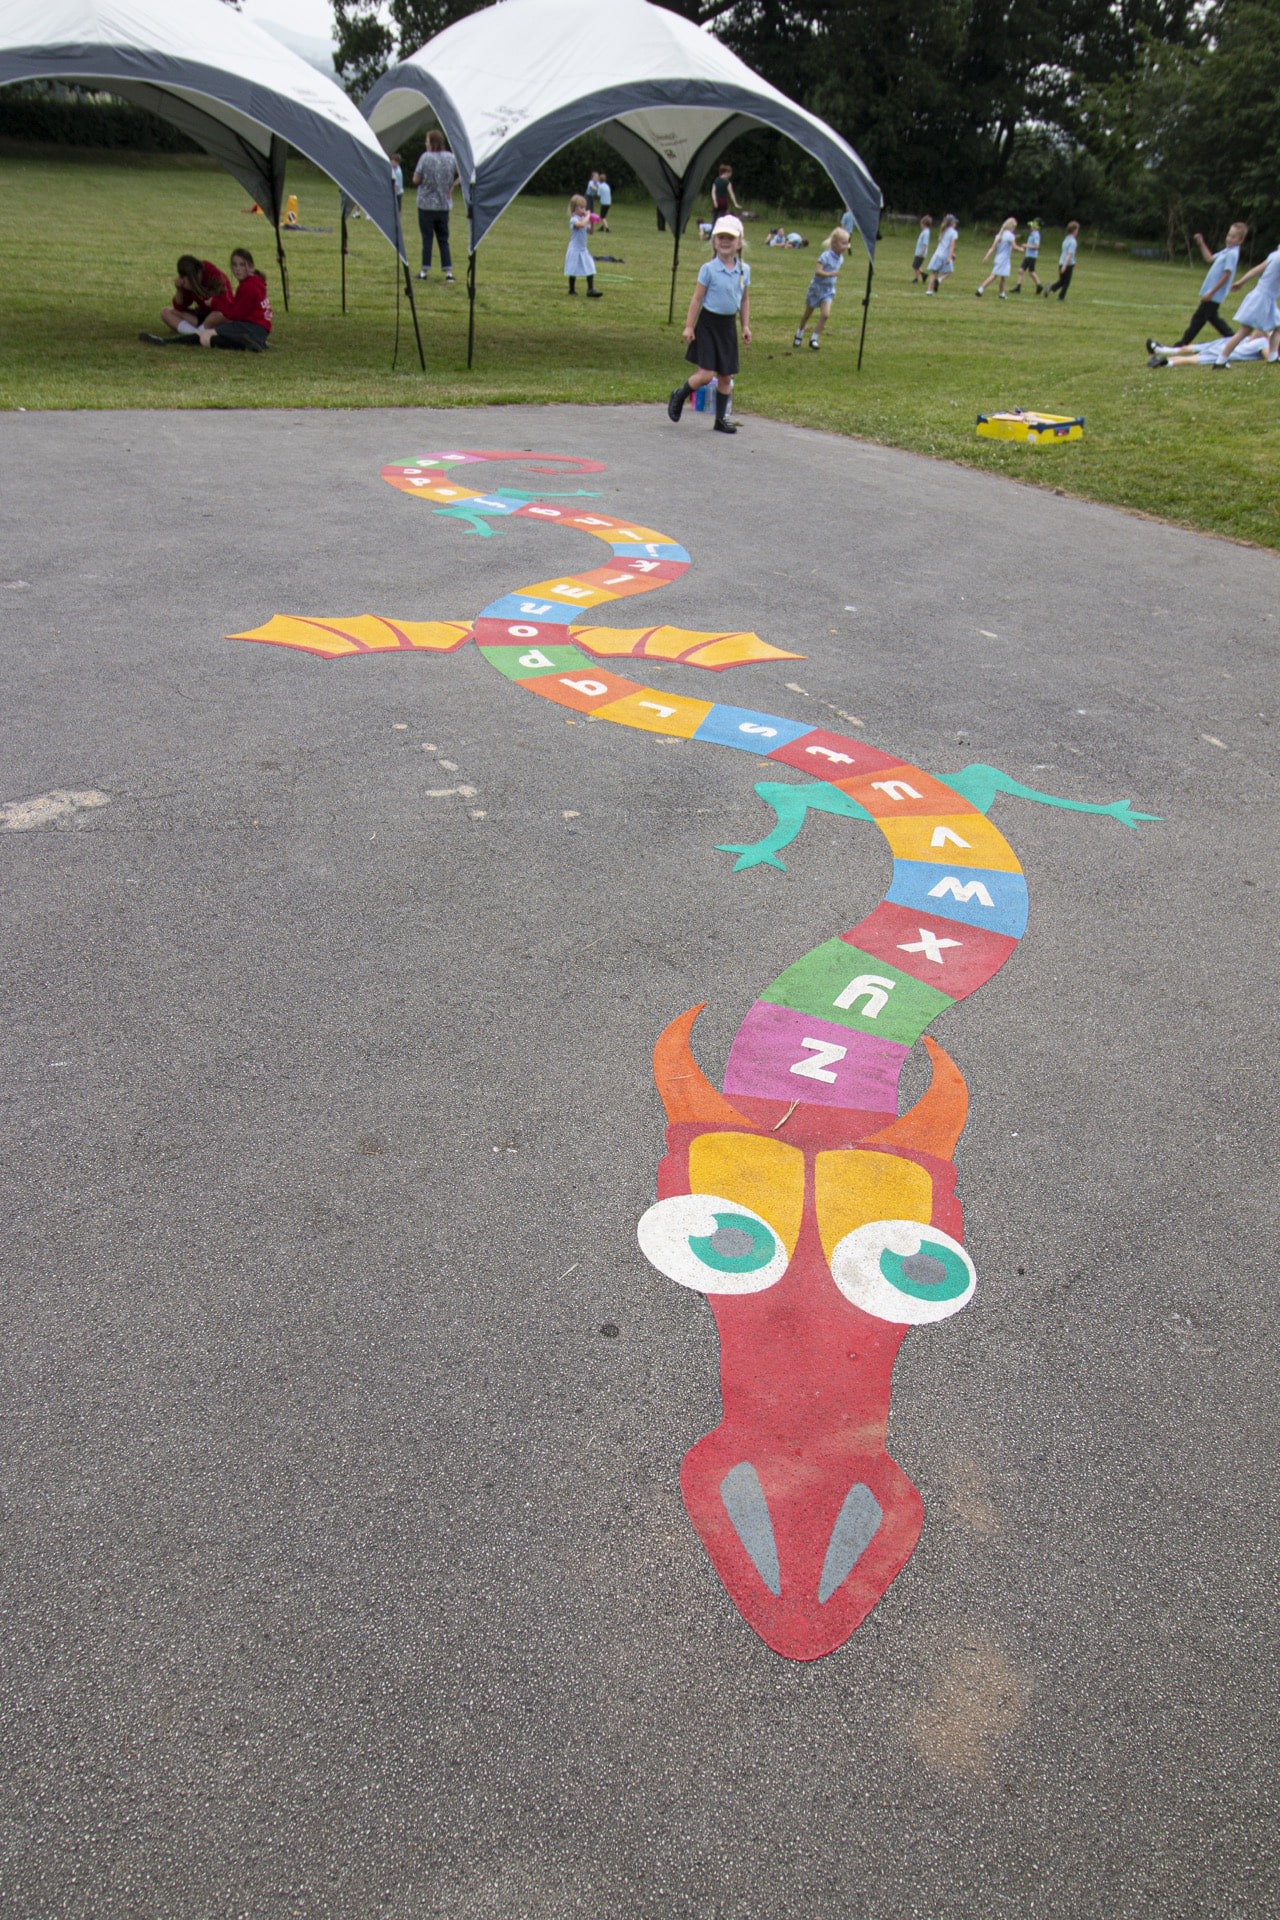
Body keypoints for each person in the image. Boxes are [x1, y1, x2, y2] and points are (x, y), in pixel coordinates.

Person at [666, 214, 751, 436]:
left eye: (730, 238)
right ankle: (679, 395)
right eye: (721, 237)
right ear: (714, 241)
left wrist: (745, 326)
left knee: (726, 376)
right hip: (708, 325)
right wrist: (689, 326)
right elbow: (697, 299)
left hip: (727, 326)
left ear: (739, 243)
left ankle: (721, 419)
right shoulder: (709, 269)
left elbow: (744, 300)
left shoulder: (744, 270)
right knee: (705, 375)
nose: (725, 241)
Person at [1173, 223, 1247, 344]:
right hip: (1212, 293)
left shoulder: (1232, 254)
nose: (1229, 239)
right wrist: (1201, 243)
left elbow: (1227, 275)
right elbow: (1209, 258)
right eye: (1229, 235)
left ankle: (1181, 344)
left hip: (1214, 294)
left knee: (1198, 319)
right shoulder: (1227, 251)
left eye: (1233, 237)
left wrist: (1212, 292)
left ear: (1240, 240)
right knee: (1214, 319)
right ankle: (1235, 340)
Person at [1211, 242, 1280, 365]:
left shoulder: (1274, 255)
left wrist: (1241, 282)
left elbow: (1256, 270)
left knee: (1278, 327)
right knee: (1244, 331)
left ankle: (1273, 356)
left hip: (1264, 298)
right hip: (1262, 299)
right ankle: (1221, 360)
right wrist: (1241, 282)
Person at [140, 255, 231, 343]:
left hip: (217, 317)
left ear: (198, 272)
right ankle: (196, 334)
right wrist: (180, 290)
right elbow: (180, 307)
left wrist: (213, 302)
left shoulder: (214, 275)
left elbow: (226, 306)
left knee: (217, 315)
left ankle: (195, 335)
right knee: (165, 312)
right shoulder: (188, 283)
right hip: (201, 316)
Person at [195, 248, 273, 351]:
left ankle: (245, 344)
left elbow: (234, 315)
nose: (237, 269)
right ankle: (254, 341)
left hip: (251, 327)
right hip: (260, 329)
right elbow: (239, 308)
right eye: (234, 265)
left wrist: (214, 302)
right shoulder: (256, 282)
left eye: (242, 265)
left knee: (205, 337)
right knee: (217, 335)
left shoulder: (248, 286)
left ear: (251, 267)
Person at [792, 226, 851, 349]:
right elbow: (818, 271)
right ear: (834, 243)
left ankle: (814, 338)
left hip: (828, 290)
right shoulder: (825, 256)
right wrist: (829, 274)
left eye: (847, 243)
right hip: (817, 288)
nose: (846, 246)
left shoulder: (841, 258)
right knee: (807, 314)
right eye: (843, 243)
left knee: (825, 315)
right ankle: (799, 333)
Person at [412, 129, 459, 282]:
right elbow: (464, 172)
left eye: (427, 141)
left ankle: (424, 271)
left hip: (426, 205)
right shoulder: (451, 157)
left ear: (432, 143)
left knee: (427, 238)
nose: (425, 144)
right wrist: (452, 186)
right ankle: (448, 272)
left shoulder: (425, 157)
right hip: (443, 206)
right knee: (443, 239)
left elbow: (416, 179)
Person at [1146, 328, 1278, 368]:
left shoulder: (1258, 341)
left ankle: (1165, 361)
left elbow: (1261, 331)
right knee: (1194, 358)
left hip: (1224, 349)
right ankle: (1166, 362)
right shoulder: (1261, 342)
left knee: (1194, 357)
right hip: (1224, 351)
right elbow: (1268, 355)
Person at [564, 194, 602, 297]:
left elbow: (591, 232)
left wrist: (592, 222)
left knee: (590, 266)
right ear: (574, 208)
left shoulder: (583, 219)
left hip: (583, 249)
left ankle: (590, 289)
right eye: (581, 208)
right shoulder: (574, 219)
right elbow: (580, 225)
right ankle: (572, 289)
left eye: (584, 207)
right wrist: (588, 216)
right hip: (574, 249)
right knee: (573, 269)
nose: (583, 210)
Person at [976, 218, 1020, 297]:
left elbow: (993, 248)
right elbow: (1014, 247)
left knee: (1003, 277)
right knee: (994, 275)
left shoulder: (999, 235)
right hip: (1004, 259)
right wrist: (1021, 249)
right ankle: (980, 289)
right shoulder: (1010, 236)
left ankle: (1001, 293)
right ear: (1011, 227)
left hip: (999, 258)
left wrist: (987, 256)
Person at [923, 215, 958, 293]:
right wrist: (950, 256)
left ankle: (929, 291)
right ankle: (939, 280)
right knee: (948, 272)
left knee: (934, 273)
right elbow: (952, 246)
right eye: (954, 222)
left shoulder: (943, 230)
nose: (955, 224)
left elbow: (944, 245)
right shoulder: (954, 233)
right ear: (952, 223)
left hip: (937, 254)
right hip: (945, 256)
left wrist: (952, 254)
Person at [1046, 222, 1080, 300]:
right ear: (1074, 230)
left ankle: (1050, 288)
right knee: (1066, 282)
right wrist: (1065, 265)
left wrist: (1073, 262)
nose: (1078, 232)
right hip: (1067, 264)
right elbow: (1069, 254)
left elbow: (1066, 253)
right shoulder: (1073, 241)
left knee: (1062, 281)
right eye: (1077, 230)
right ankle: (1061, 297)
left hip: (1061, 262)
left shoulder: (1066, 239)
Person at [1012, 220, 1042, 294]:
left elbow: (1036, 246)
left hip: (1031, 256)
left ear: (1036, 227)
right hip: (1029, 255)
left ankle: (1018, 287)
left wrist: (1026, 245)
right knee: (1031, 272)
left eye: (1032, 226)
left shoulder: (1035, 235)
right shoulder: (1033, 234)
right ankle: (1039, 285)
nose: (1031, 227)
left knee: (1021, 270)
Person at [912, 216, 932, 283]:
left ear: (924, 224)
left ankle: (916, 279)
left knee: (916, 266)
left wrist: (922, 252)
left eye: (921, 224)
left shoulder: (926, 233)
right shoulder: (924, 232)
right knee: (916, 265)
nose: (920, 225)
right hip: (918, 252)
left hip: (920, 253)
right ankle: (923, 275)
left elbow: (925, 244)